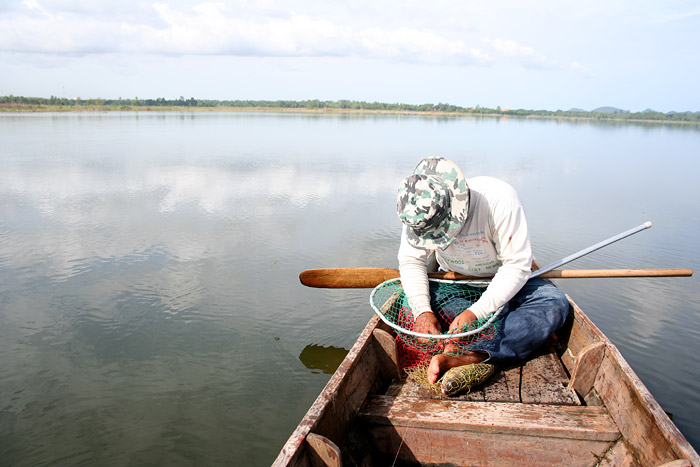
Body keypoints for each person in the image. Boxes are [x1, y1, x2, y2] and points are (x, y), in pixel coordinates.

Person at [396, 156, 570, 384]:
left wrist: (475, 314)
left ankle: (470, 354)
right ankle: (518, 332)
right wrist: (423, 312)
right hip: (457, 284)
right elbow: (412, 262)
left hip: (513, 282)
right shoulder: (417, 209)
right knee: (408, 304)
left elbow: (516, 266)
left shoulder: (498, 198)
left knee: (553, 303)